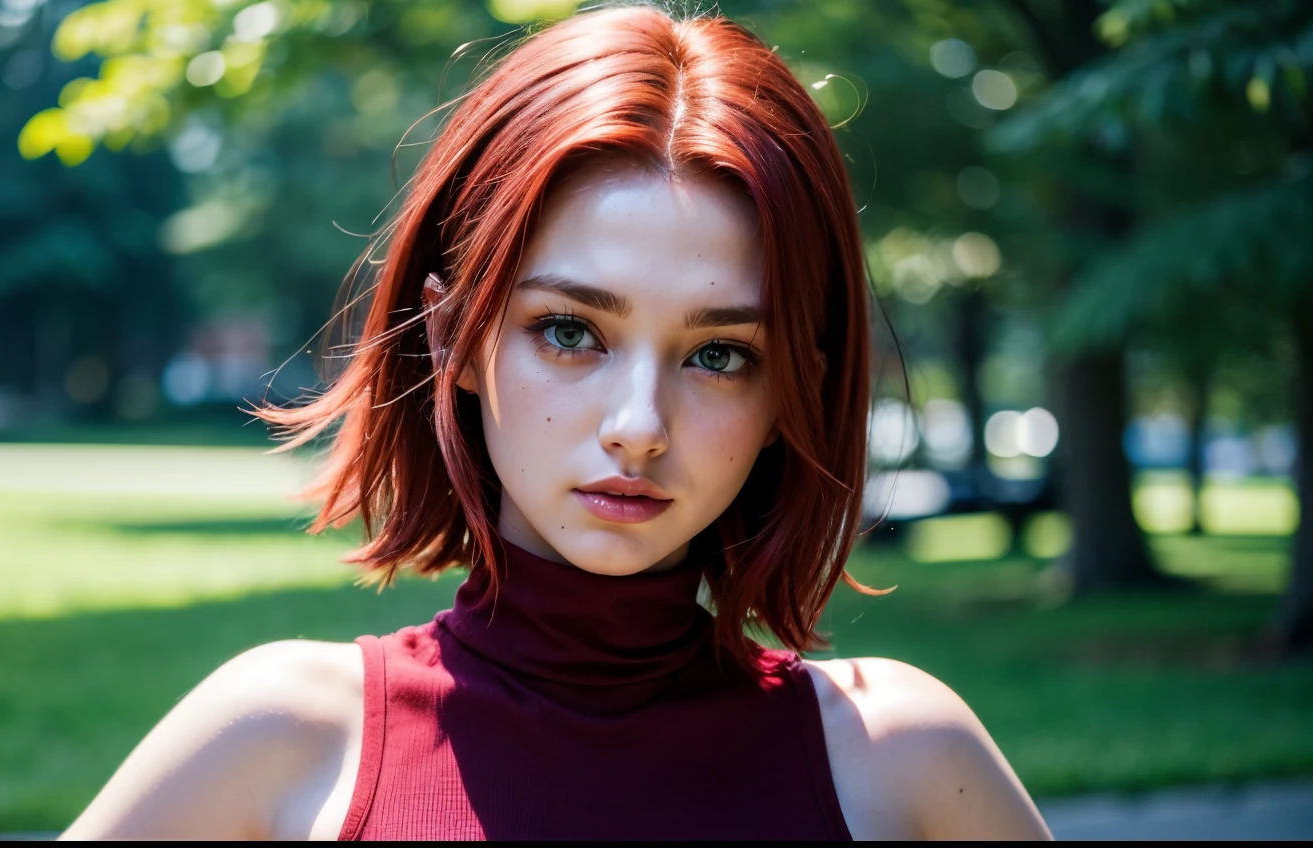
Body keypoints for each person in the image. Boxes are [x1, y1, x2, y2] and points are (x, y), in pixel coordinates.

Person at [62, 5, 1052, 841]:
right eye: (571, 330)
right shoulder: (277, 736)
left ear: (794, 387)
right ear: (455, 334)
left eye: (719, 353)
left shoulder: (908, 761)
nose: (637, 425)